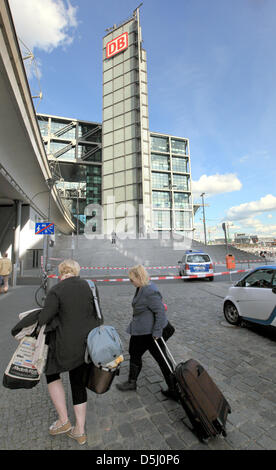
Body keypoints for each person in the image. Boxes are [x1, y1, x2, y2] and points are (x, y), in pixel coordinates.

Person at [38, 259, 103, 445]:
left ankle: (64, 421)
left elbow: (44, 318)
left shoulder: (57, 290)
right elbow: (97, 314)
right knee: (78, 383)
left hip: (62, 346)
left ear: (61, 273)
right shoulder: (90, 286)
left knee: (51, 374)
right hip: (85, 346)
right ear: (77, 271)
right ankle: (80, 431)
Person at [116, 265, 178, 401]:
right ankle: (132, 382)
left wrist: (157, 332)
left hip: (151, 333)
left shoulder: (150, 290)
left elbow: (160, 312)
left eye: (132, 280)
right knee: (134, 352)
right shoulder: (141, 287)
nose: (131, 282)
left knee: (162, 359)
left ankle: (174, 389)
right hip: (140, 330)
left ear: (139, 277)